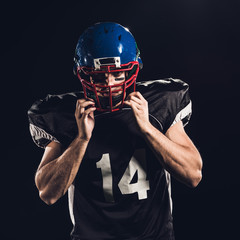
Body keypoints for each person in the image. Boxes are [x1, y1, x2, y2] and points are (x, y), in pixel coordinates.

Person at [28, 22, 202, 240]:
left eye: (118, 75)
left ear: (132, 70)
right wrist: (81, 139)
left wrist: (147, 128)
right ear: (83, 75)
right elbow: (47, 192)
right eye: (99, 76)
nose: (109, 84)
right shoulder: (66, 117)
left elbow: (193, 174)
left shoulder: (158, 105)